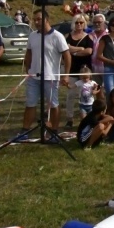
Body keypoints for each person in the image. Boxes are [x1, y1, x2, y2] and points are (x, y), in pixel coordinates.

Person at [19, 9, 71, 141]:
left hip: (51, 77)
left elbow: (67, 55)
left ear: (47, 20)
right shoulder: (33, 36)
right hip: (34, 77)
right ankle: (25, 131)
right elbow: (29, 52)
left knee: (53, 104)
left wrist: (66, 75)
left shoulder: (57, 36)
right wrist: (28, 67)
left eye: (39, 19)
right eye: (35, 19)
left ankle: (54, 131)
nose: (36, 22)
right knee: (30, 103)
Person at [64, 14, 92, 129]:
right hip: (72, 69)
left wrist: (74, 51)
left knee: (86, 94)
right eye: (77, 22)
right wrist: (80, 49)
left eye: (81, 22)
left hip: (85, 71)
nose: (79, 24)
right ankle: (69, 118)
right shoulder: (68, 36)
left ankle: (87, 118)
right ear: (73, 23)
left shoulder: (88, 37)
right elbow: (65, 49)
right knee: (70, 95)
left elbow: (89, 51)